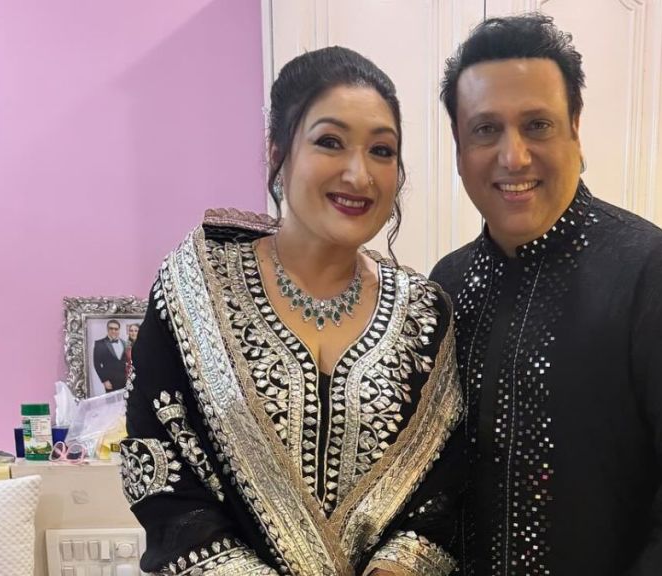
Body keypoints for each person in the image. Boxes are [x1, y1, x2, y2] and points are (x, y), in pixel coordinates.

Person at [121, 46, 463, 576]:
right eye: (330, 142)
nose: (359, 174)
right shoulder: (194, 286)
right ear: (278, 151)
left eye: (382, 150)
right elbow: (162, 474)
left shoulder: (424, 313)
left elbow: (441, 491)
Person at [429, 14, 662, 576]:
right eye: (485, 129)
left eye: (537, 125)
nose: (513, 156)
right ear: (458, 148)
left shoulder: (656, 275)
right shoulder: (449, 286)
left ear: (575, 129)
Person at [93, 319, 128, 392]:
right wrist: (104, 380)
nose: (113, 331)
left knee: (127, 399)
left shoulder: (125, 343)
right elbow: (97, 364)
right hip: (110, 382)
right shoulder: (99, 344)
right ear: (107, 329)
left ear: (119, 330)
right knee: (112, 400)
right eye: (111, 328)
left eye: (116, 329)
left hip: (125, 381)